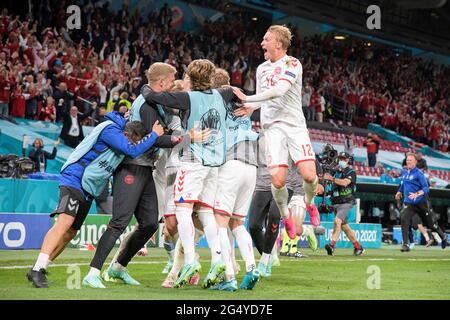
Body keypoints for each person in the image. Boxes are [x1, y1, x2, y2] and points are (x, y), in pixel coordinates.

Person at [27, 112, 164, 288]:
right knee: (64, 222)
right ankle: (38, 269)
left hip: (88, 187)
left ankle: (41, 267)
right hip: (75, 178)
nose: (130, 144)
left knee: (71, 232)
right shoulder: (109, 129)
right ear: (127, 134)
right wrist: (154, 134)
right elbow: (132, 149)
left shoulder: (119, 134)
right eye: (131, 140)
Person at [138, 60, 235, 289]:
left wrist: (145, 86)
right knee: (206, 213)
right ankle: (217, 259)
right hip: (214, 163)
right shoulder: (222, 95)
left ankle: (190, 261)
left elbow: (153, 97)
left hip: (193, 160)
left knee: (182, 210)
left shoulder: (188, 98)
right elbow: (233, 92)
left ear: (190, 78)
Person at [233, 25, 319, 242]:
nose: (262, 43)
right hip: (272, 128)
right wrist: (252, 107)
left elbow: (279, 90)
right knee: (278, 181)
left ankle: (309, 203)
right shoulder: (261, 69)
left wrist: (246, 98)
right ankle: (286, 216)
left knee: (309, 175)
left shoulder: (292, 63)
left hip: (294, 126)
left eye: (266, 39)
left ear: (278, 44)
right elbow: (264, 96)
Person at [209, 68, 260, 291]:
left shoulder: (214, 101)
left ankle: (228, 276)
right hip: (252, 165)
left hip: (231, 162)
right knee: (238, 222)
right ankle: (251, 267)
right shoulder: (242, 101)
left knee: (219, 221)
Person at [395, 153, 447, 252]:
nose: (408, 161)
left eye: (410, 160)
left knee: (431, 225)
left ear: (415, 162)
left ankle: (443, 237)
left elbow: (426, 188)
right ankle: (405, 244)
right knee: (403, 218)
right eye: (407, 160)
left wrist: (417, 194)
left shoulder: (419, 173)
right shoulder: (405, 172)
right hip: (410, 204)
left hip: (421, 204)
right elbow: (403, 184)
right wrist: (399, 192)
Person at [323, 152, 365, 256]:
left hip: (346, 202)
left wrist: (331, 178)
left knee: (337, 221)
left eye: (344, 159)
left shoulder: (351, 172)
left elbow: (345, 183)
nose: (342, 160)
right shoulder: (336, 171)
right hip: (336, 202)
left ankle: (332, 245)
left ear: (348, 160)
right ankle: (358, 247)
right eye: (340, 158)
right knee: (345, 227)